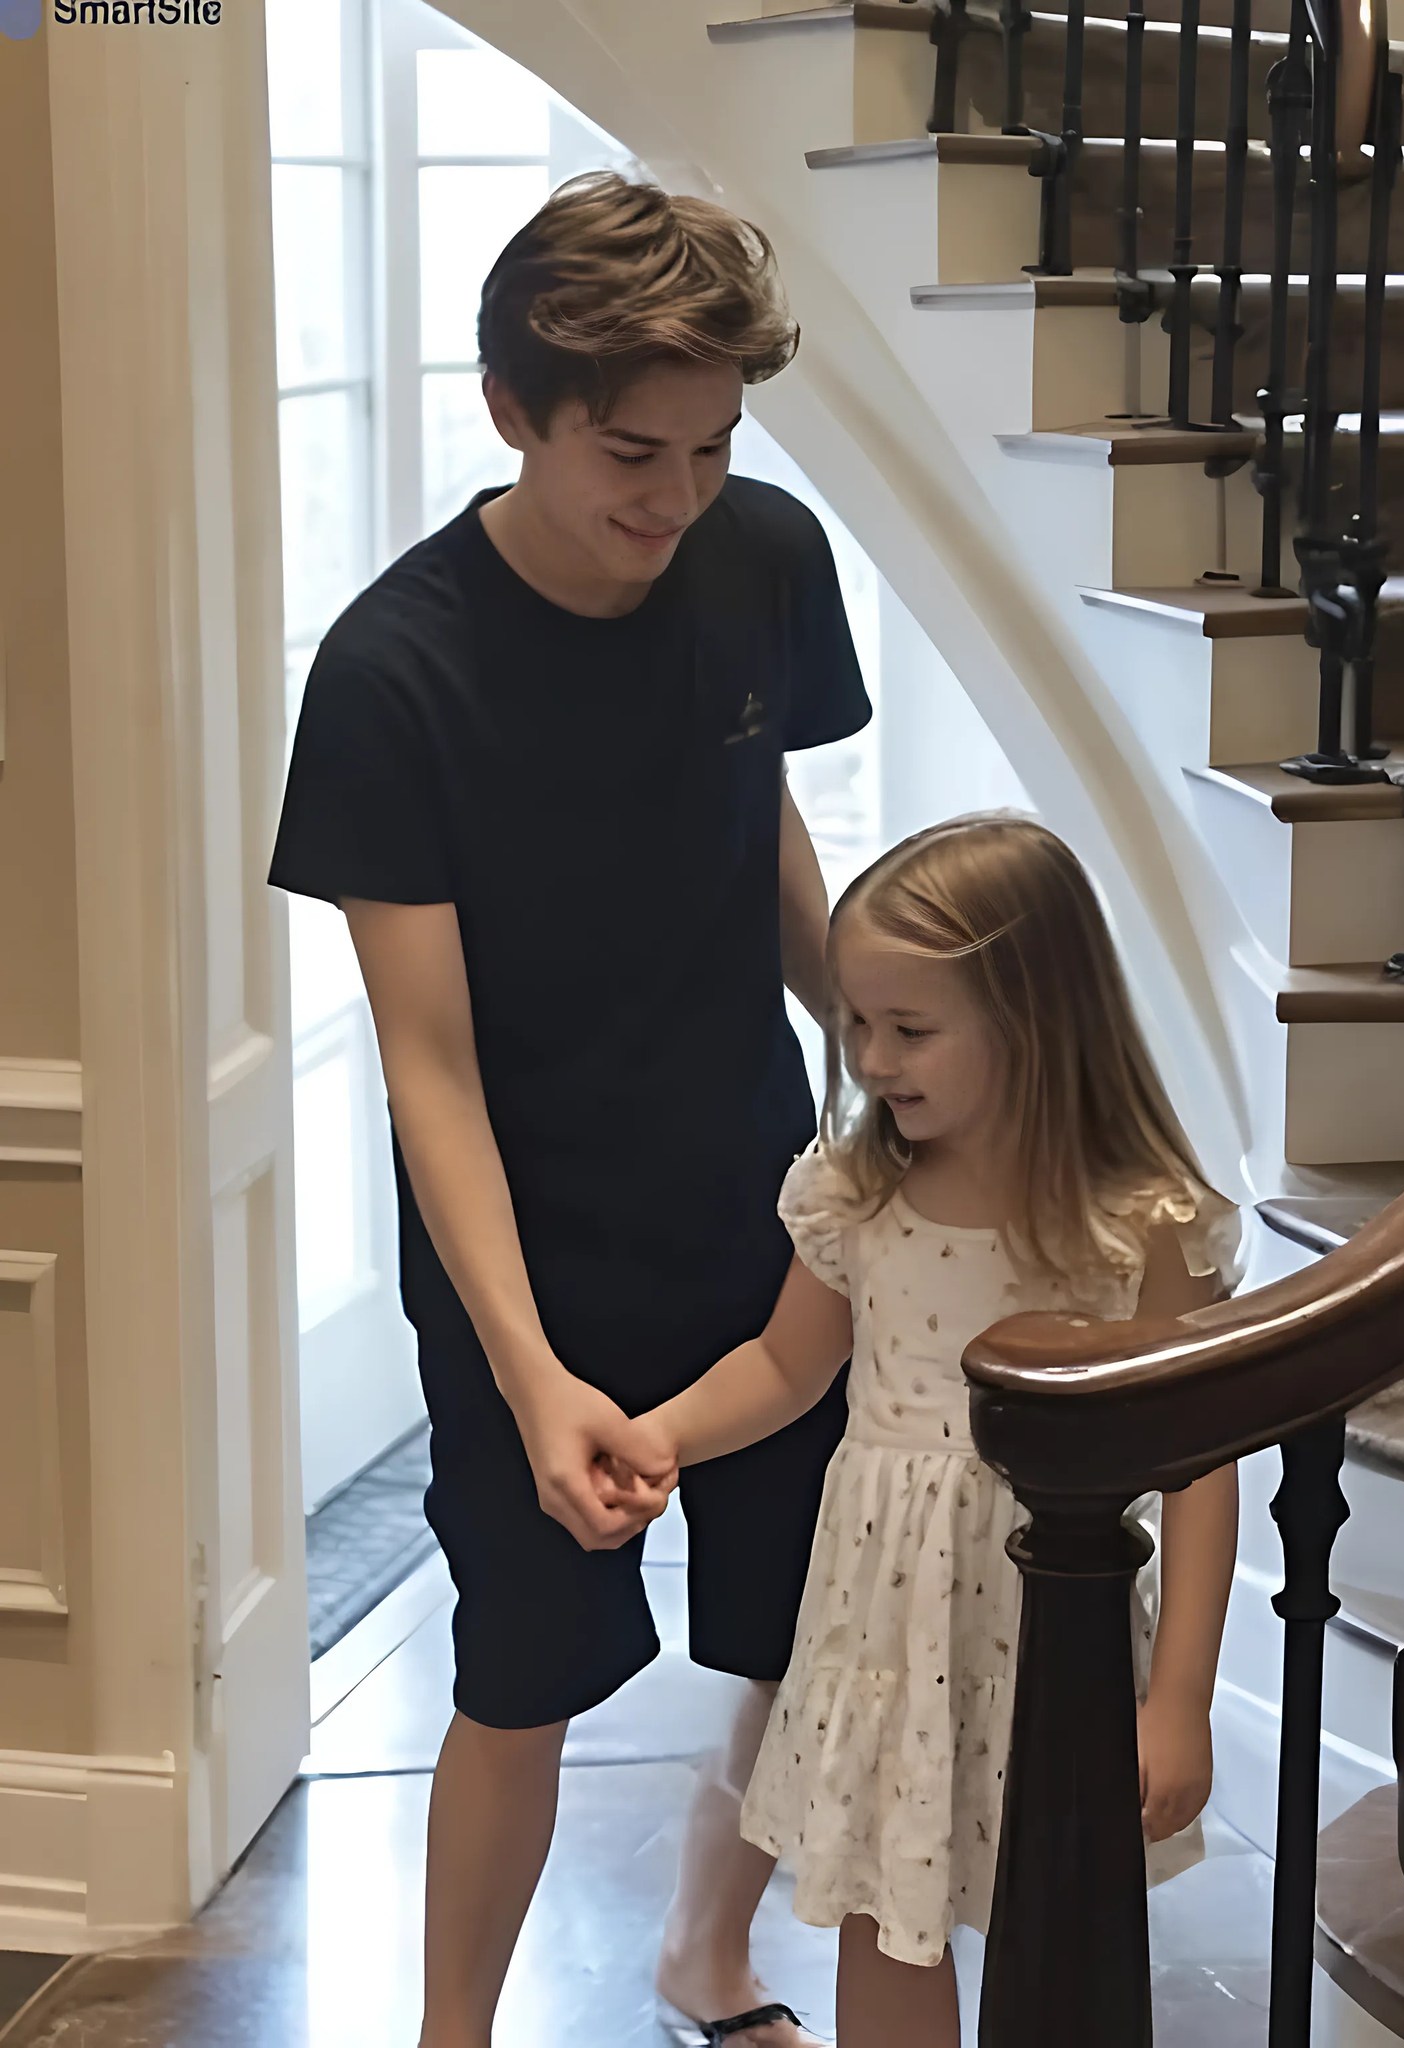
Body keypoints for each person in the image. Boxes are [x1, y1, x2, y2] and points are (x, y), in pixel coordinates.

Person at [268, 172, 871, 2048]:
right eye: (630, 453)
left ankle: (706, 1951)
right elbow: (427, 1065)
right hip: (521, 1254)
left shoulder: (765, 557)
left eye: (712, 446)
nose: (675, 498)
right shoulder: (391, 674)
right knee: (519, 1672)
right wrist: (532, 1376)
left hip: (760, 1201)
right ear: (512, 407)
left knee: (803, 1626)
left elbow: (765, 823)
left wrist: (884, 1050)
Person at [621, 815, 1243, 2047]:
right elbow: (784, 1363)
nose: (869, 1057)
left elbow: (1197, 1464)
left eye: (908, 1028)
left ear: (1035, 1020)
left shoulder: (1134, 1224)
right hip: (881, 1630)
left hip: (1049, 1630)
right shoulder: (857, 1193)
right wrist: (664, 1436)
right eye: (855, 1022)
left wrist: (1179, 1696)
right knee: (884, 1912)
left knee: (1056, 1911)